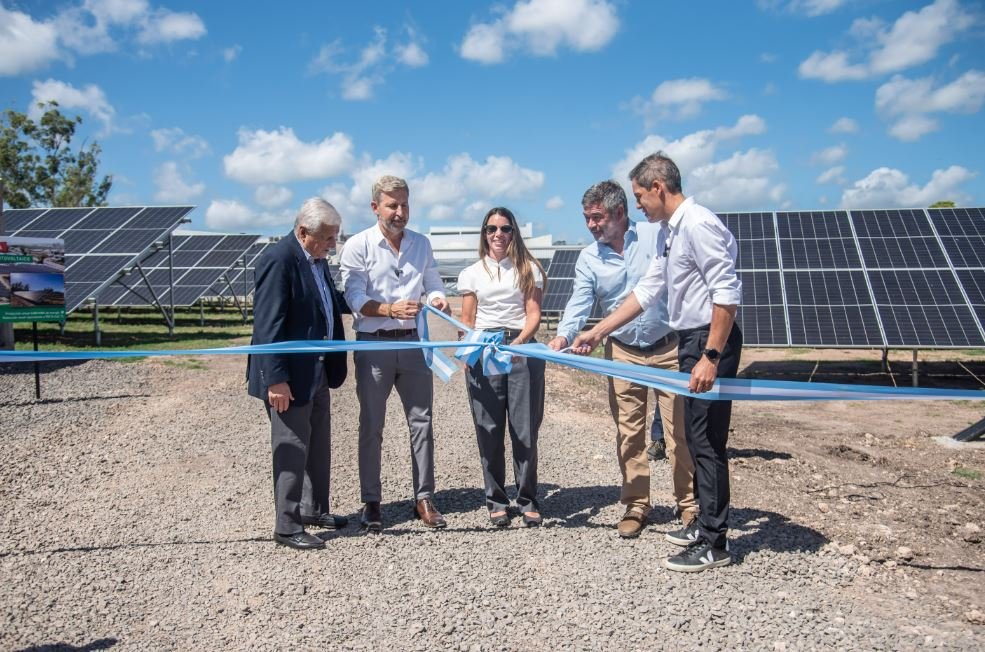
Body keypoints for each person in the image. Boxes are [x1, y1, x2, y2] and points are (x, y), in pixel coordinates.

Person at [572, 153, 742, 572]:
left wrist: (711, 356)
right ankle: (702, 526)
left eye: (639, 196)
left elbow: (726, 293)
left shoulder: (698, 225)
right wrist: (597, 332)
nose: (638, 205)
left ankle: (713, 541)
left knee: (703, 443)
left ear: (658, 188)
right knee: (697, 440)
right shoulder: (672, 230)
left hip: (706, 341)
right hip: (690, 341)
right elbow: (648, 290)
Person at [548, 180, 694, 540]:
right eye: (587, 218)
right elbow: (579, 301)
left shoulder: (655, 236)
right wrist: (564, 335)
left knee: (679, 433)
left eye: (597, 217)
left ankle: (689, 504)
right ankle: (637, 504)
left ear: (619, 212)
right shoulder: (589, 258)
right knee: (630, 433)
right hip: (623, 353)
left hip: (668, 348)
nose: (591, 225)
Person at [339, 175, 451, 532]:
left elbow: (432, 282)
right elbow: (354, 297)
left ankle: (424, 497)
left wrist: (437, 299)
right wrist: (388, 310)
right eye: (392, 205)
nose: (400, 212)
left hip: (414, 344)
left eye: (404, 204)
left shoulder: (421, 243)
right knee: (372, 424)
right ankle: (372, 502)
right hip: (374, 345)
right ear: (376, 207)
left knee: (422, 422)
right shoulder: (358, 245)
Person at [247, 198, 350, 550]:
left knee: (318, 442)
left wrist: (376, 304)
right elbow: (267, 324)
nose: (333, 244)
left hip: (318, 369)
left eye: (335, 236)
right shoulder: (278, 260)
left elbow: (328, 302)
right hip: (289, 377)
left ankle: (314, 509)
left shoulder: (316, 260)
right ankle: (287, 525)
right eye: (328, 237)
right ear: (304, 232)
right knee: (291, 446)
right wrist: (276, 378)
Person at [458, 207, 547, 528]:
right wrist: (468, 356)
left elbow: (533, 313)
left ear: (514, 233)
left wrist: (519, 342)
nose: (498, 234)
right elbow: (468, 320)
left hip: (520, 349)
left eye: (505, 228)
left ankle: (527, 499)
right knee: (489, 429)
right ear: (484, 233)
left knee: (525, 430)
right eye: (492, 229)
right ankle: (496, 500)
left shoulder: (529, 269)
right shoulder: (471, 273)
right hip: (485, 352)